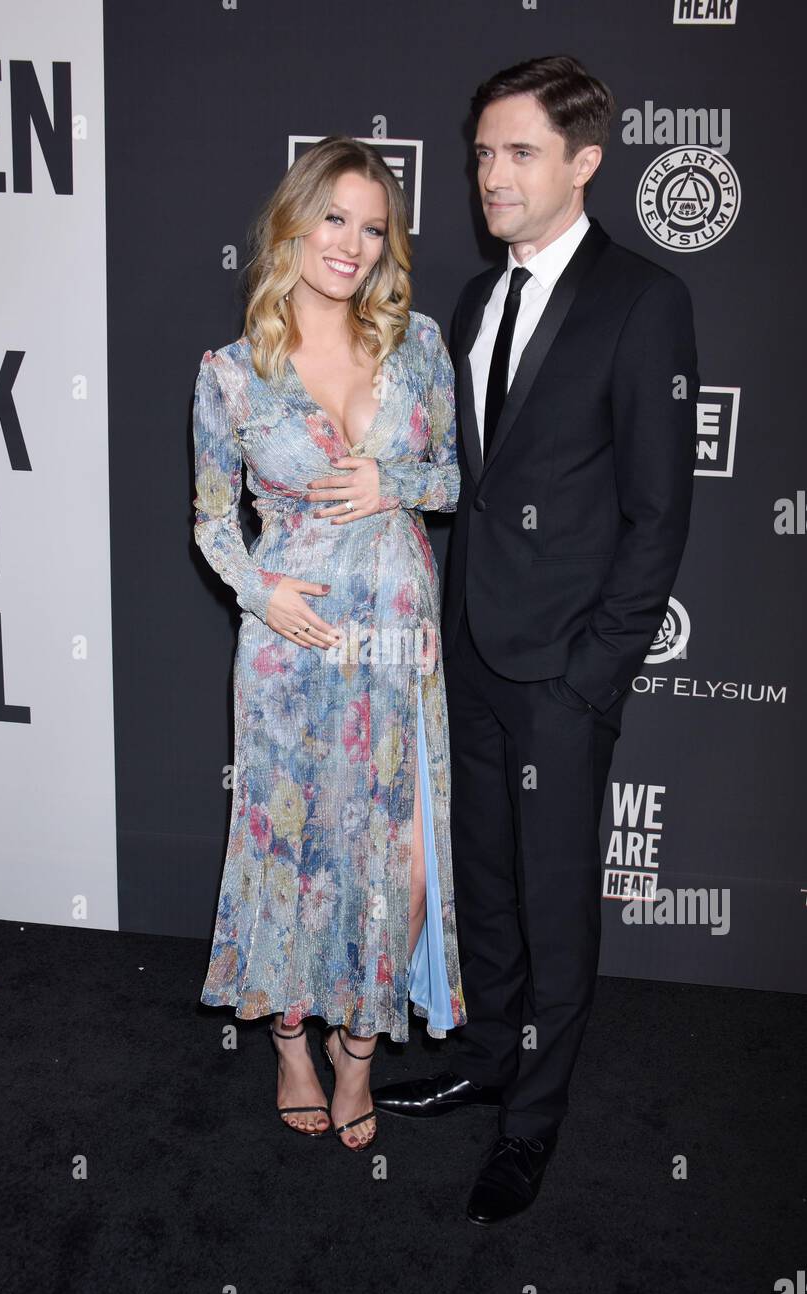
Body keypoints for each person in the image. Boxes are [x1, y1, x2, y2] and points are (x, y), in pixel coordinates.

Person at [373, 56, 700, 1221]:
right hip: (469, 646)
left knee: (556, 898)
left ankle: (532, 1123)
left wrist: (594, 671)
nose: (488, 175)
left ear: (584, 163)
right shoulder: (471, 300)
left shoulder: (642, 301)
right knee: (489, 882)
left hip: (563, 667)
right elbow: (478, 476)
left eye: (517, 153)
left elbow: (659, 512)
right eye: (480, 152)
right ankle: (486, 1059)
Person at [192, 136, 465, 1152]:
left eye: (372, 224)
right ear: (292, 225)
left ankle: (362, 1050)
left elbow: (448, 480)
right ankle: (294, 1044)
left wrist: (395, 484)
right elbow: (215, 521)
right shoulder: (230, 376)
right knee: (293, 848)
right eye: (334, 218)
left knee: (385, 850)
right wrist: (261, 594)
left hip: (396, 647)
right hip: (288, 653)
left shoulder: (418, 345)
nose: (351, 243)